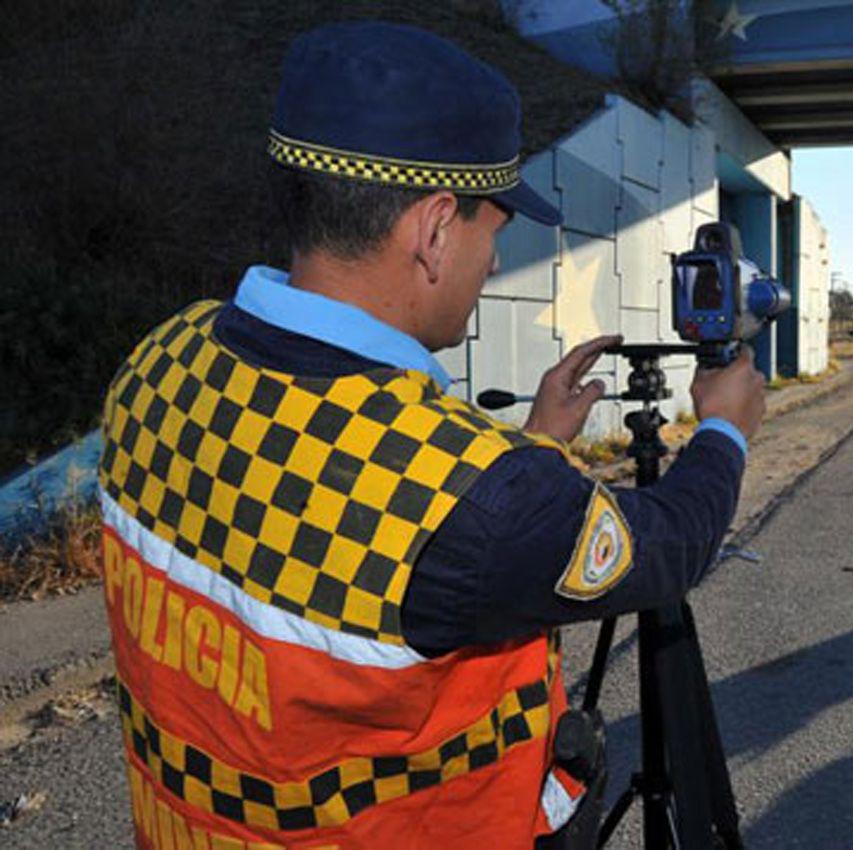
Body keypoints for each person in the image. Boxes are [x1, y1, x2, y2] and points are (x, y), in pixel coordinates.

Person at [96, 22, 763, 849]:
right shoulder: (475, 493)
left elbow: (341, 505)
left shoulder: (158, 361)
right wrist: (725, 430)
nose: (492, 263)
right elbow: (668, 546)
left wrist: (537, 446)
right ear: (437, 229)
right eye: (497, 231)